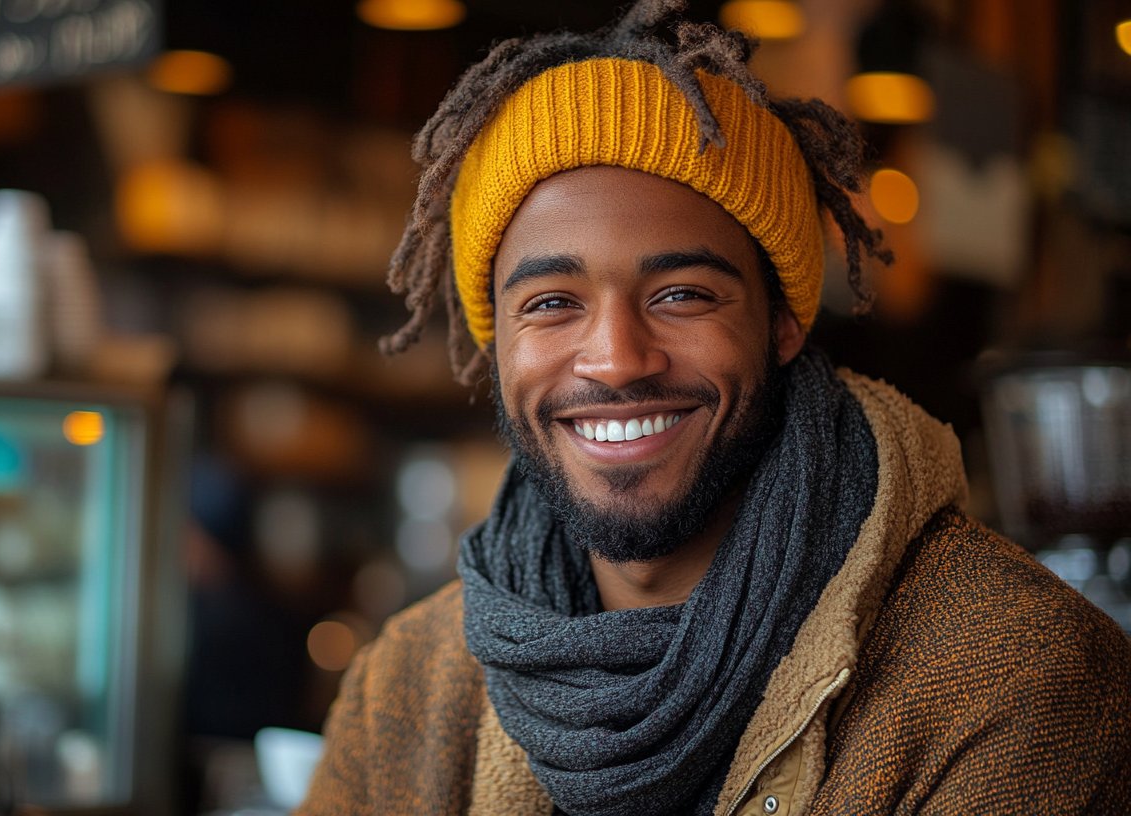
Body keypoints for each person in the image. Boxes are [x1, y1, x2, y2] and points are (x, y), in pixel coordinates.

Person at [296, 1, 1131, 814]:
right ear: (497, 344)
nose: (616, 359)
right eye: (551, 303)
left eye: (683, 294)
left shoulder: (1014, 677)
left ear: (783, 321)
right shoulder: (407, 684)